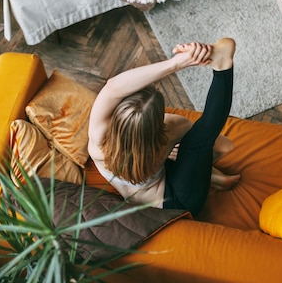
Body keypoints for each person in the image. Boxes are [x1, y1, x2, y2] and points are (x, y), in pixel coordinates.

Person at [88, 38, 240, 216]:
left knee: (190, 150)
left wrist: (175, 63)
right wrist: (177, 63)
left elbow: (113, 88)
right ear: (158, 121)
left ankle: (212, 178)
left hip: (147, 197)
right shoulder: (170, 131)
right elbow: (224, 146)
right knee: (201, 138)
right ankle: (223, 65)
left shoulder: (98, 139)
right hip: (177, 203)